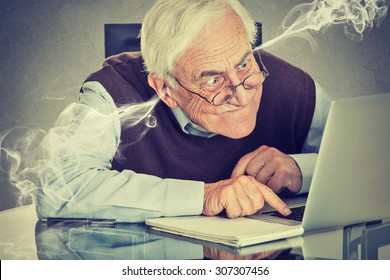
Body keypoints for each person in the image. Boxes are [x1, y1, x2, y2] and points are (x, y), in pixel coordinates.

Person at [36, 0, 330, 223]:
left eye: (243, 63)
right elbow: (59, 188)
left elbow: (370, 166)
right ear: (165, 89)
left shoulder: (293, 85)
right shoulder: (114, 93)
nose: (241, 94)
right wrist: (203, 196)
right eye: (213, 80)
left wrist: (301, 169)